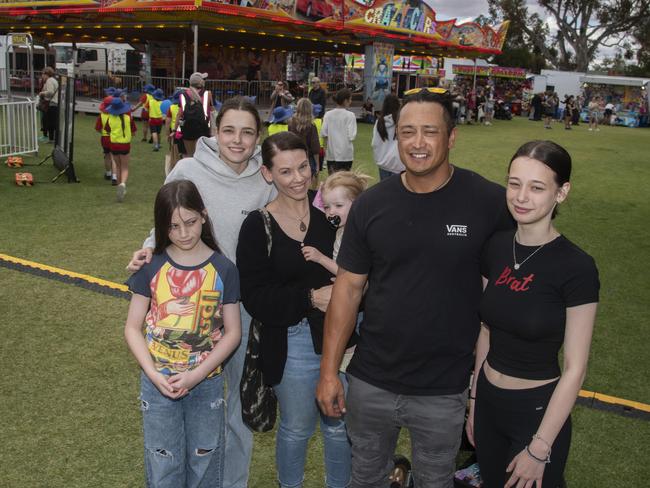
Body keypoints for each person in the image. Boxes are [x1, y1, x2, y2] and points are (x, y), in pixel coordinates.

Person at [315, 89, 513, 488]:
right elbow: (347, 292)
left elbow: (506, 293)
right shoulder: (371, 205)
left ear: (451, 137)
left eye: (429, 131)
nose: (417, 143)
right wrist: (329, 373)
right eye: (407, 132)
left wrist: (481, 384)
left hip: (444, 387)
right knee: (366, 478)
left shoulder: (489, 202)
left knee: (434, 481)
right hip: (371, 380)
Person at [126, 96, 276, 488]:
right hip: (187, 308)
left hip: (240, 309)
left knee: (238, 407)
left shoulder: (267, 177)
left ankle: (232, 483)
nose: (237, 140)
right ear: (215, 130)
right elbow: (167, 219)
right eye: (229, 130)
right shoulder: (188, 167)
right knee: (190, 400)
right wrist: (147, 250)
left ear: (258, 136)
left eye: (247, 132)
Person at [467, 140, 599, 488]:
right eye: (514, 183)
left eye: (537, 187)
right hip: (488, 404)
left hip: (538, 413)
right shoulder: (495, 247)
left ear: (562, 192)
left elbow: (576, 368)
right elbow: (485, 329)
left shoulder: (576, 267)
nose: (521, 197)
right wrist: (475, 399)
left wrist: (540, 448)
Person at [236, 132, 353, 488]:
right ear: (268, 174)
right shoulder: (258, 226)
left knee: (339, 425)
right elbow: (254, 297)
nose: (299, 178)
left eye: (303, 167)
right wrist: (311, 298)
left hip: (343, 337)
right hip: (292, 341)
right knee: (298, 428)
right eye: (286, 172)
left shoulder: (331, 216)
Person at [125, 179, 242, 488]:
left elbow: (232, 333)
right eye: (173, 226)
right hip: (157, 385)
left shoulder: (223, 270)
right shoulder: (152, 266)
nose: (184, 233)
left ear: (204, 216)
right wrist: (152, 373)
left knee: (205, 461)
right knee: (163, 463)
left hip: (206, 386)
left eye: (190, 222)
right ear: (162, 228)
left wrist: (196, 375)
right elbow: (131, 327)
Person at [104, 97, 136, 202]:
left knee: (117, 166)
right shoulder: (128, 118)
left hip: (113, 144)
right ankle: (123, 184)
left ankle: (119, 186)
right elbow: (133, 131)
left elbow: (107, 130)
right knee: (125, 167)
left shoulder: (110, 118)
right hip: (125, 145)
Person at [176, 72, 214, 159]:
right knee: (202, 155)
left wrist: (175, 130)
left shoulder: (183, 95)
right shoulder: (208, 94)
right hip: (203, 128)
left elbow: (179, 114)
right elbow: (212, 112)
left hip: (187, 128)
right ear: (201, 83)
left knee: (189, 156)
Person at [321, 88, 357, 174]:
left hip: (331, 155)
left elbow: (323, 133)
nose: (351, 101)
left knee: (333, 182)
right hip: (346, 155)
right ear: (345, 100)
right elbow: (352, 135)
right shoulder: (350, 115)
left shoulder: (328, 114)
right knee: (344, 182)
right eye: (350, 99)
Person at [287, 98, 321, 186]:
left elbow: (289, 140)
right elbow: (315, 147)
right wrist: (317, 164)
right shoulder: (311, 125)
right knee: (309, 183)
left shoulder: (291, 123)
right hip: (307, 158)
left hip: (294, 156)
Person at [371, 93, 403, 180]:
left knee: (385, 191)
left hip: (383, 163)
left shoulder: (379, 122)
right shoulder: (401, 121)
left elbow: (374, 143)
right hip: (398, 164)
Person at [94, 96, 116, 183]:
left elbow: (97, 128)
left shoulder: (102, 115)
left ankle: (108, 173)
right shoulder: (116, 115)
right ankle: (114, 177)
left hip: (105, 138)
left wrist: (103, 132)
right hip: (114, 137)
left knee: (107, 156)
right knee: (114, 157)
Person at [38, 67, 59, 144]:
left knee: (50, 122)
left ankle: (51, 139)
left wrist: (42, 93)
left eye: (43, 74)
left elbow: (50, 92)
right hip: (54, 103)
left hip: (51, 103)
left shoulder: (49, 81)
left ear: (46, 74)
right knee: (51, 121)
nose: (42, 76)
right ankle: (51, 138)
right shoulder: (53, 80)